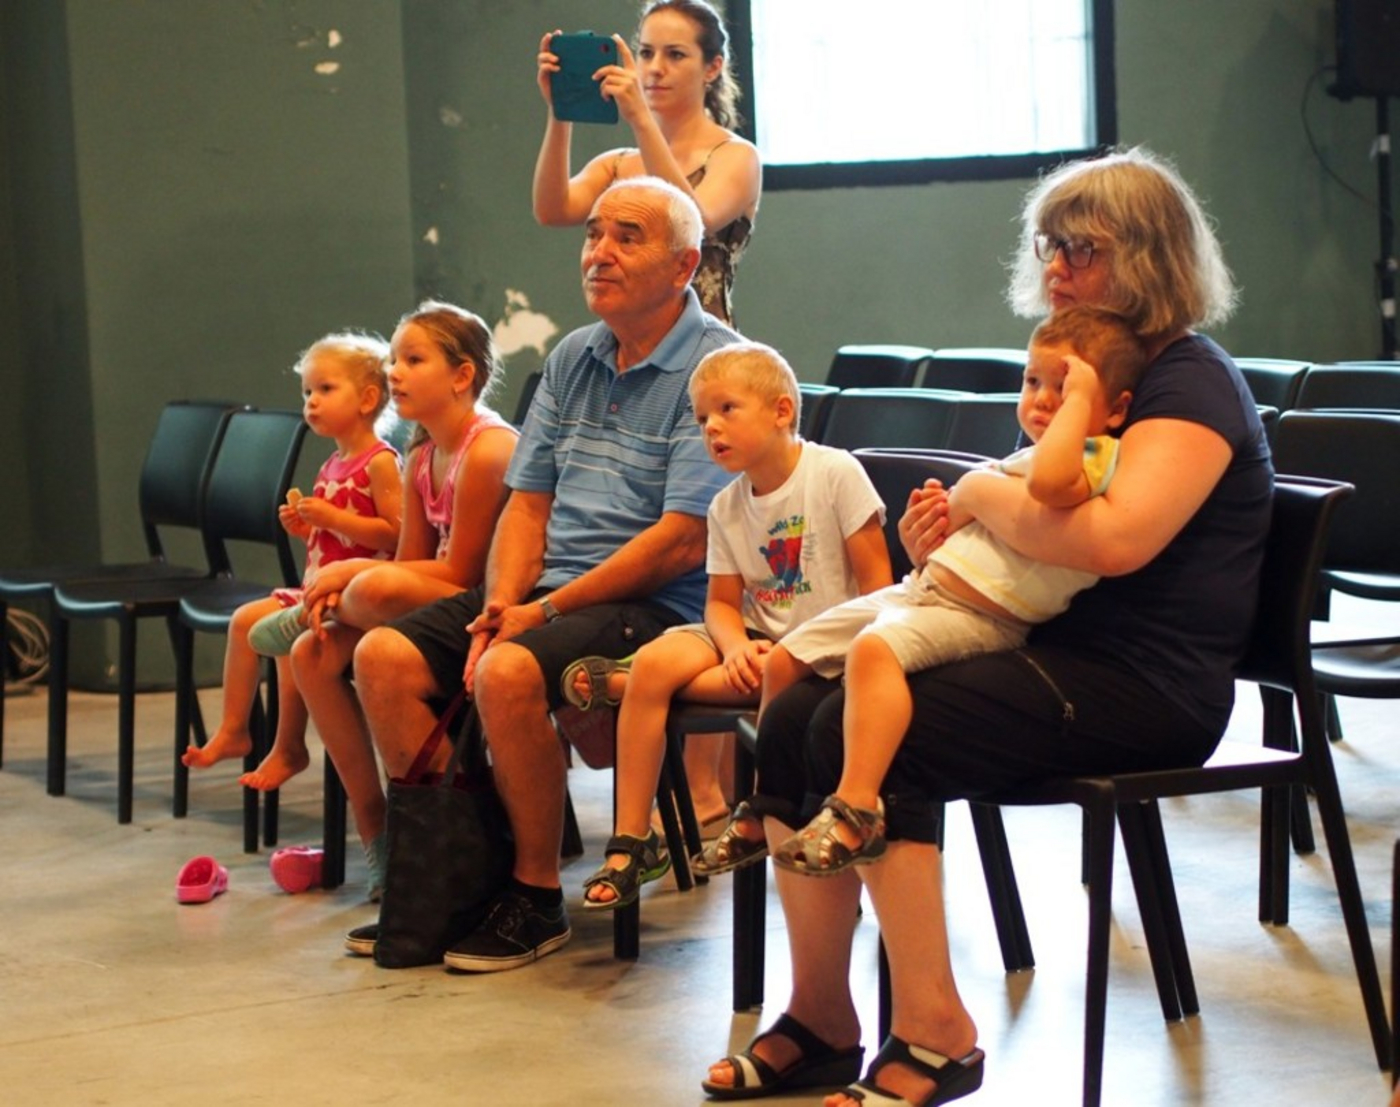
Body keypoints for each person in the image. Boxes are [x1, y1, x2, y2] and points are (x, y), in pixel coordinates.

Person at [701, 146, 1272, 1107]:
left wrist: (973, 494)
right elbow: (1033, 528)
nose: (1055, 268)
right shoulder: (1080, 361)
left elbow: (1115, 541)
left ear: (1149, 256)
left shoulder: (1189, 383)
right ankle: (821, 1017)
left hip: (1145, 684)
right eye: (1049, 246)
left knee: (885, 730)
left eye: (1082, 248)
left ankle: (938, 1035)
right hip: (1048, 651)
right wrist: (946, 534)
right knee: (799, 715)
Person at [346, 176, 739, 968]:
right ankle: (462, 878)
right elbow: (527, 504)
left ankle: (533, 894)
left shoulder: (719, 367)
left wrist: (543, 612)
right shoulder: (573, 354)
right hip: (546, 591)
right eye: (592, 234)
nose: (598, 252)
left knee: (507, 670)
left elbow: (680, 542)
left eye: (626, 237)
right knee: (381, 656)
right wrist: (499, 602)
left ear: (683, 266)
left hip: (660, 606)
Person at [703, 307, 1146, 879]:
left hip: (982, 618)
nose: (1041, 400)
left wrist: (1077, 408)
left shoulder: (1095, 457)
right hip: (921, 591)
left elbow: (1049, 485)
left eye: (1064, 388)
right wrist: (939, 516)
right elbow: (984, 521)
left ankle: (857, 805)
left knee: (873, 651)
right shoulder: (1026, 458)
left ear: (1116, 409)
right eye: (1032, 381)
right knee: (786, 661)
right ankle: (766, 803)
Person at [565, 341, 891, 910]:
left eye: (726, 410)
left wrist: (809, 653)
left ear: (782, 411)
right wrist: (736, 645)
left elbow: (878, 590)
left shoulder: (835, 472)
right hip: (757, 640)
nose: (710, 427)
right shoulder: (726, 506)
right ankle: (632, 844)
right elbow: (720, 604)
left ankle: (630, 685)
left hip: (829, 649)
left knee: (664, 679)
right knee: (660, 659)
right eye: (701, 419)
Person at [276, 302, 517, 898]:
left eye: (412, 360)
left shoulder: (488, 450)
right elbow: (412, 556)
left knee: (371, 585)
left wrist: (352, 571)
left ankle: (311, 608)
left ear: (462, 376)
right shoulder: (422, 453)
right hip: (433, 590)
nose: (394, 374)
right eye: (393, 361)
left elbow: (463, 572)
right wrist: (356, 575)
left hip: (485, 599)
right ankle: (378, 831)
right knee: (311, 655)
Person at [180, 334, 401, 788]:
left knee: (288, 636)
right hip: (318, 589)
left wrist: (332, 517)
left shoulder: (380, 462)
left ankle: (288, 746)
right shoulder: (332, 464)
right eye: (307, 392)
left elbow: (395, 534)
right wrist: (309, 528)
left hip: (357, 597)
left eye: (325, 389)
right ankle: (236, 730)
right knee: (244, 621)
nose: (311, 402)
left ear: (367, 399)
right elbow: (336, 539)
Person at [533, 0, 760, 326]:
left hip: (706, 345)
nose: (655, 68)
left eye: (675, 55)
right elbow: (552, 210)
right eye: (646, 52)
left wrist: (640, 117)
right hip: (627, 341)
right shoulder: (618, 163)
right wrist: (561, 110)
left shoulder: (736, 155)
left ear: (712, 68)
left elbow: (691, 221)